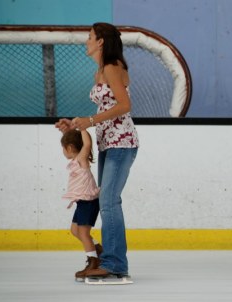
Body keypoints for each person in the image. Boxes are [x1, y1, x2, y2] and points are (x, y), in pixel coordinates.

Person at [55, 22, 139, 280]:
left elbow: (125, 105)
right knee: (107, 201)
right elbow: (106, 110)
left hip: (122, 143)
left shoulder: (113, 67)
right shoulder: (100, 72)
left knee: (109, 201)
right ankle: (107, 257)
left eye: (90, 37)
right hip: (108, 143)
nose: (86, 41)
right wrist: (77, 125)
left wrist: (90, 121)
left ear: (101, 41)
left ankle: (115, 264)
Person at [61, 129, 101, 281]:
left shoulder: (81, 160)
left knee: (83, 233)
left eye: (63, 148)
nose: (63, 151)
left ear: (69, 148)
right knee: (74, 230)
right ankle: (97, 248)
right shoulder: (74, 163)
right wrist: (70, 128)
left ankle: (93, 261)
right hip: (82, 202)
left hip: (89, 202)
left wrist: (83, 128)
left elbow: (87, 144)